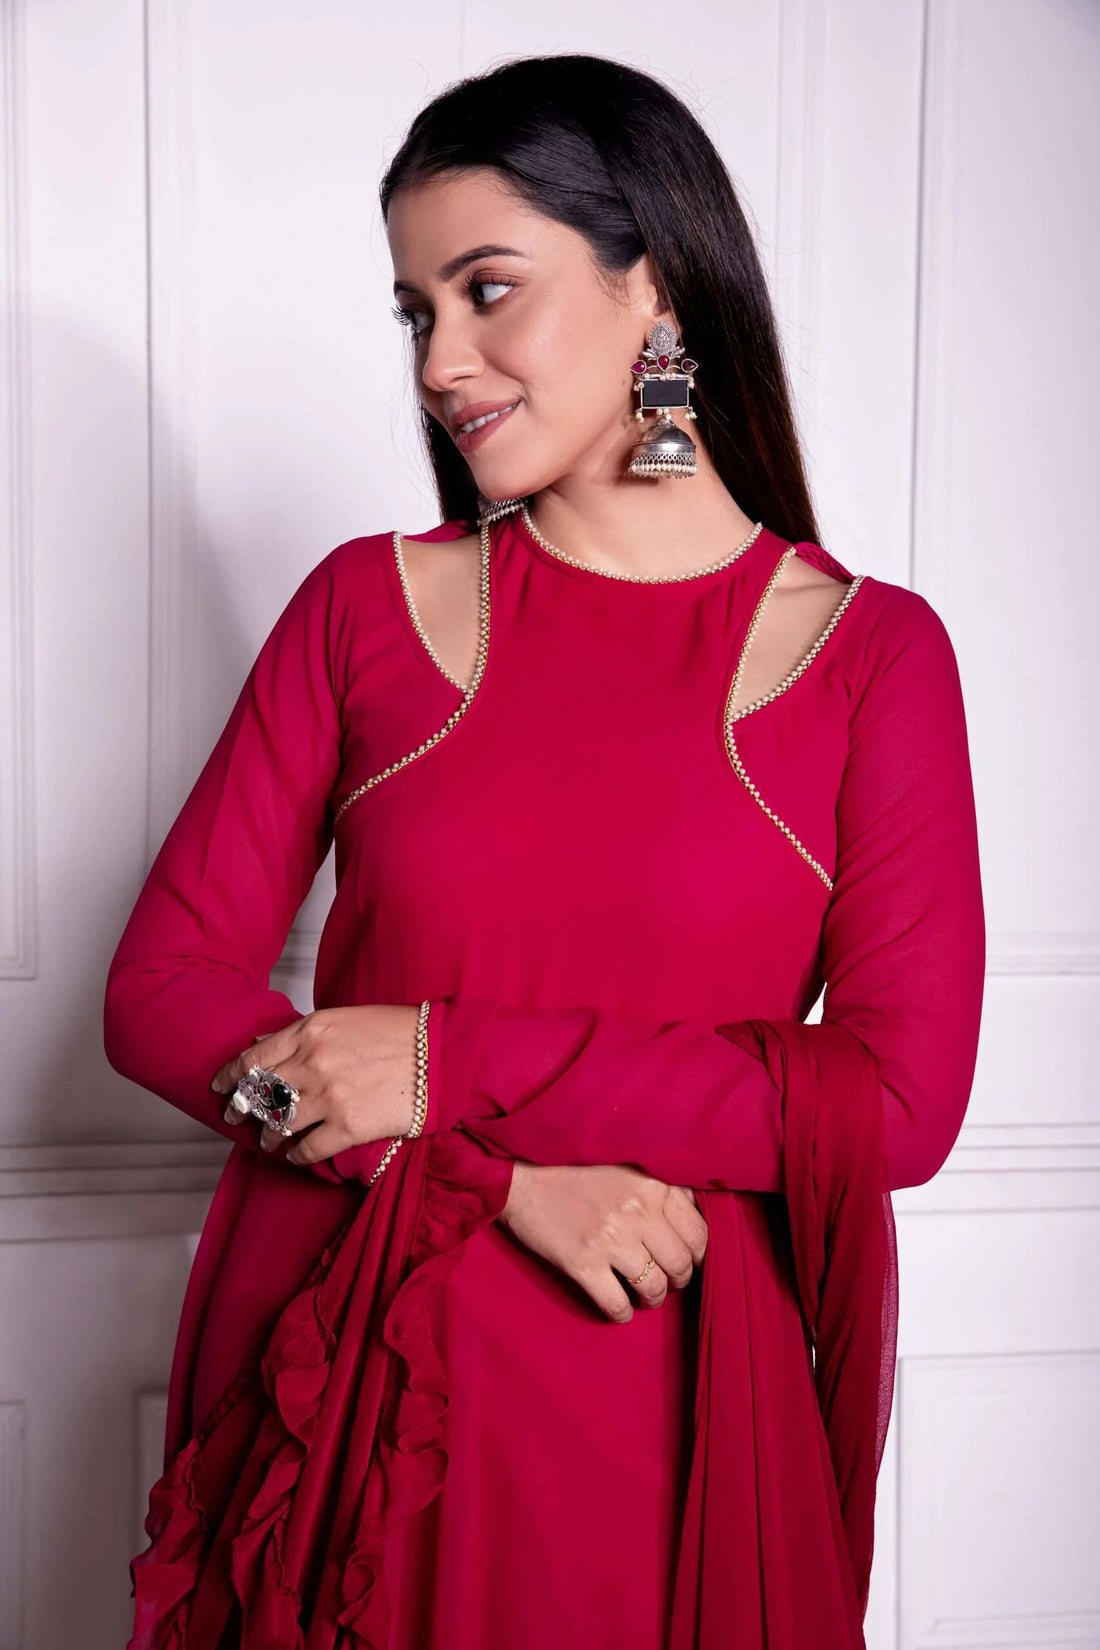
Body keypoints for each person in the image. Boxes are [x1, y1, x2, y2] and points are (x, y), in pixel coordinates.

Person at [103, 52, 986, 1650]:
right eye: (415, 310)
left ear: (654, 286)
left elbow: (895, 1100)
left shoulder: (867, 658)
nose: (441, 360)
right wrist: (476, 1174)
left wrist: (440, 1064)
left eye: (488, 290)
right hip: (356, 1387)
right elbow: (160, 991)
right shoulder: (367, 607)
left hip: (670, 1411)